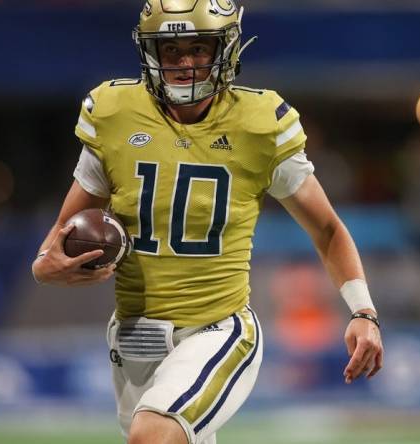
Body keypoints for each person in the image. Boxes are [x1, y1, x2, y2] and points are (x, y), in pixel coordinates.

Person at [32, 1, 383, 443]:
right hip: (134, 337)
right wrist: (45, 266)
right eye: (171, 49)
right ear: (149, 52)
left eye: (199, 48)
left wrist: (363, 311)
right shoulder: (113, 113)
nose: (185, 63)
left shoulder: (259, 124)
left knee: (153, 435)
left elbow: (327, 228)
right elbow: (63, 233)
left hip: (217, 329)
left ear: (227, 48)